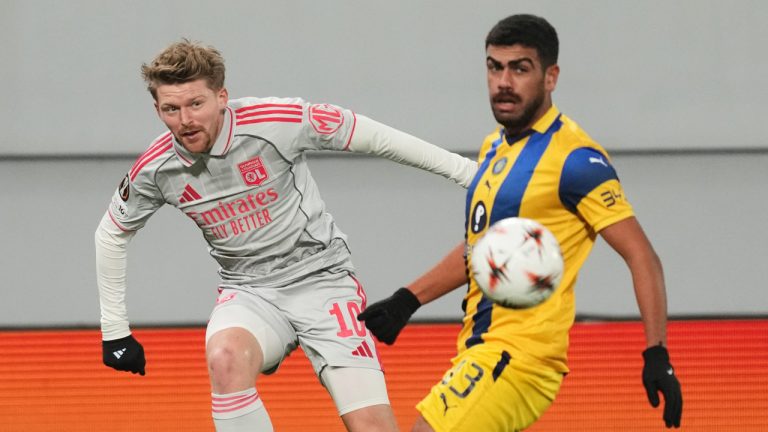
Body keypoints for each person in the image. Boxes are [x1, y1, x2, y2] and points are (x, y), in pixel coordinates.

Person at [94, 39, 477, 432]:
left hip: (323, 281)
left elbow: (374, 137)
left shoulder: (275, 122)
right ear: (157, 109)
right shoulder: (156, 168)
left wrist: (471, 174)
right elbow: (110, 234)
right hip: (249, 291)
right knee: (225, 358)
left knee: (372, 427)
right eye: (171, 109)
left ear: (222, 97)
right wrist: (115, 332)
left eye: (196, 103)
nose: (185, 120)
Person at [358, 14, 683, 431]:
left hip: (520, 357)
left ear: (551, 77)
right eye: (494, 67)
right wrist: (408, 300)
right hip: (479, 346)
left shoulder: (576, 160)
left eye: (519, 69)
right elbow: (484, 248)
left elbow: (642, 256)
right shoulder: (494, 148)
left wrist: (656, 352)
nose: (503, 82)